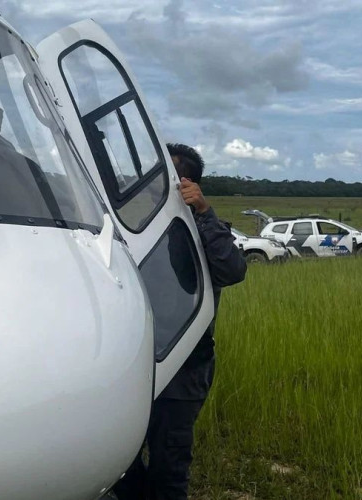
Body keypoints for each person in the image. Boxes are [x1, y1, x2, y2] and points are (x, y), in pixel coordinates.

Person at [112, 144, 247, 500]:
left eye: (163, 175)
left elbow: (233, 271)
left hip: (183, 370)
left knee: (169, 469)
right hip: (132, 369)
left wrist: (203, 212)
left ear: (185, 183)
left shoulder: (202, 229)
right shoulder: (129, 228)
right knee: (119, 465)